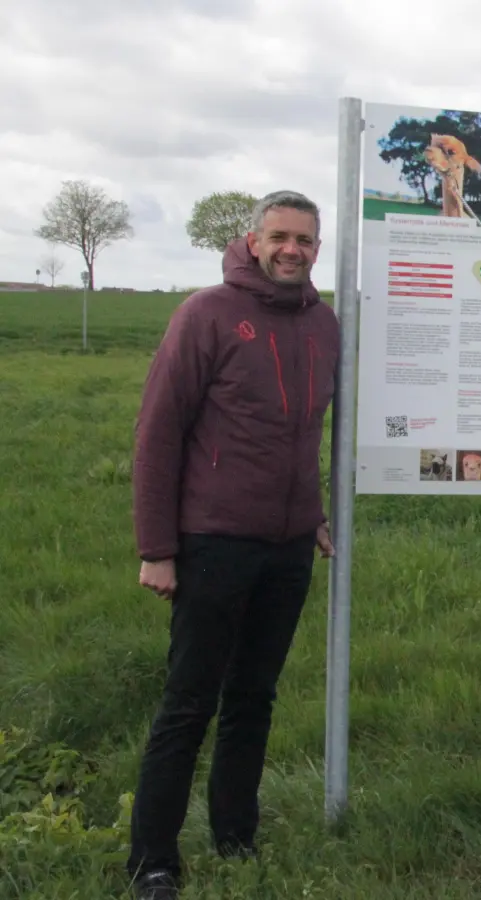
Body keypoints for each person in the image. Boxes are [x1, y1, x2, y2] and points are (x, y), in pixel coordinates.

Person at [126, 190, 340, 899]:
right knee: (190, 702)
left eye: (303, 240)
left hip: (288, 548)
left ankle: (235, 835)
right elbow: (158, 432)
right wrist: (157, 548)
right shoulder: (206, 315)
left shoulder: (323, 324)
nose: (291, 250)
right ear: (253, 242)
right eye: (279, 237)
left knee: (254, 696)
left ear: (317, 248)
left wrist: (311, 514)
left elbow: (301, 435)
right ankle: (154, 860)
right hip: (213, 541)